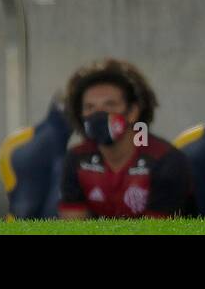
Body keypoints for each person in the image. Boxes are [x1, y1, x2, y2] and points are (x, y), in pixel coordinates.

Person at [58, 59, 195, 219]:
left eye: (110, 105)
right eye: (89, 107)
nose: (98, 114)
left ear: (132, 112)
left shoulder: (165, 160)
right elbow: (72, 226)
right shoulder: (76, 159)